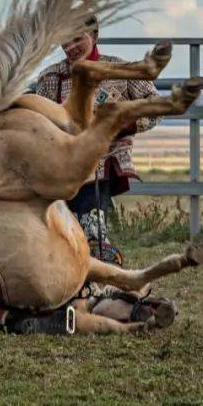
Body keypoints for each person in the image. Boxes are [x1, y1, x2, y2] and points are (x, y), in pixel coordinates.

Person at [32, 15, 160, 266]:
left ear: (95, 36)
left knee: (92, 232)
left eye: (77, 39)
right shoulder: (49, 79)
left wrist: (120, 125)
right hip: (60, 168)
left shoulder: (120, 71)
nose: (70, 47)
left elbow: (154, 106)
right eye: (64, 42)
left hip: (100, 166)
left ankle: (101, 280)